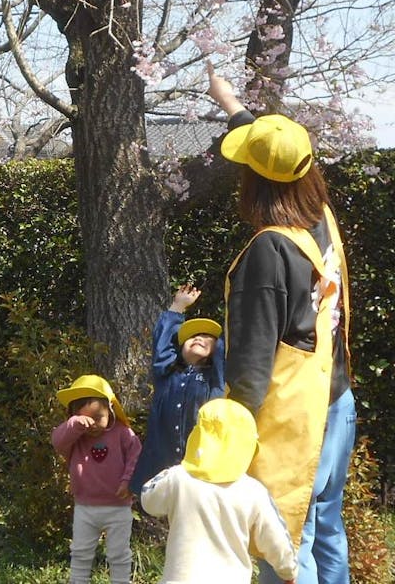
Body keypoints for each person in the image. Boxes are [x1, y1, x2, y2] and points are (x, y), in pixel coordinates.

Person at [208, 65, 356, 584]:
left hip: (293, 421)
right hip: (336, 403)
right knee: (325, 529)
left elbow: (249, 368)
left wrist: (226, 443)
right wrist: (232, 107)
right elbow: (276, 152)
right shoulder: (320, 215)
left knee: (284, 548)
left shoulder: (268, 252)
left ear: (253, 180)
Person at [140, 398, 298, 584]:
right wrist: (289, 571)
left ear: (198, 436)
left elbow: (148, 500)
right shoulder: (253, 491)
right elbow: (276, 539)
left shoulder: (178, 478)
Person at [128, 283, 226, 495]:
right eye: (192, 336)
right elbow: (162, 346)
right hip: (160, 465)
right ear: (180, 347)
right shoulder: (167, 374)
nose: (199, 337)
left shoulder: (215, 379)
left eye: (207, 337)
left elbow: (229, 348)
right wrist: (178, 306)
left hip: (200, 468)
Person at [50, 374, 142, 584]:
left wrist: (127, 481)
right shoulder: (75, 436)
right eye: (86, 421)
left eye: (98, 418)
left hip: (118, 506)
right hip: (85, 507)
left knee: (119, 555)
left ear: (110, 410)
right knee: (81, 554)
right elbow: (57, 441)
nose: (92, 426)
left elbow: (135, 455)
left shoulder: (122, 433)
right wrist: (74, 425)